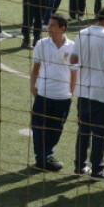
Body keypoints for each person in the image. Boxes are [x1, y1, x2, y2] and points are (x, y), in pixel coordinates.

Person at [71, 6, 104, 181]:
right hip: (102, 91)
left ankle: (79, 166)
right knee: (100, 133)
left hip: (83, 90)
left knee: (83, 130)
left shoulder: (82, 33)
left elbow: (73, 59)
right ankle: (98, 169)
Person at [30, 14, 77, 172]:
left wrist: (71, 91)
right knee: (39, 127)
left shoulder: (72, 46)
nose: (48, 28)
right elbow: (36, 67)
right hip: (43, 94)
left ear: (62, 28)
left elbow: (74, 71)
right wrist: (32, 85)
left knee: (56, 129)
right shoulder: (41, 44)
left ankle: (46, 155)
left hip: (62, 96)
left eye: (52, 26)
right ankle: (42, 158)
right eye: (48, 25)